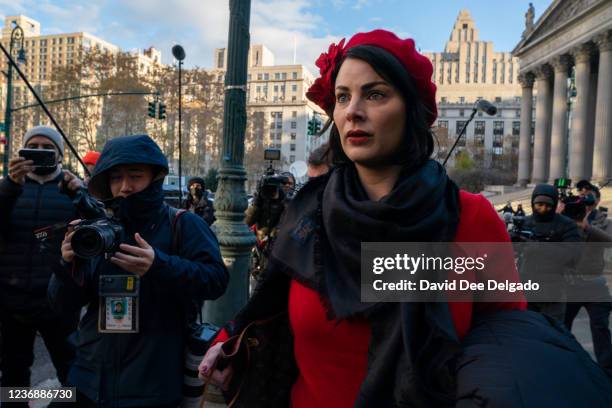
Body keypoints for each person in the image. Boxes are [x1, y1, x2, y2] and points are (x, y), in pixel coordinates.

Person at [196, 30, 612, 407]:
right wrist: (227, 339)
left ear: (411, 110)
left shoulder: (471, 218)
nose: (352, 112)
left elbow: (506, 335)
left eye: (374, 94)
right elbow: (270, 303)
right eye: (342, 97)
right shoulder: (308, 209)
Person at [48, 134, 229, 408]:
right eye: (116, 178)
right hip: (86, 380)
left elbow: (215, 280)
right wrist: (67, 265)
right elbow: (61, 306)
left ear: (154, 178)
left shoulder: (183, 224)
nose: (125, 187)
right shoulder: (94, 229)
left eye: (135, 176)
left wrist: (159, 265)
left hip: (153, 387)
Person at [0, 125, 82, 404]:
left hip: (58, 302)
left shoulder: (73, 189)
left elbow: (97, 228)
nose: (38, 152)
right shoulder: (9, 187)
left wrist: (80, 195)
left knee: (72, 374)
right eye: (31, 147)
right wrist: (10, 186)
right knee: (13, 375)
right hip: (12, 302)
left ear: (59, 156)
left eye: (47, 148)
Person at [565, 184, 612, 376]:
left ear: (598, 200)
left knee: (600, 328)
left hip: (595, 284)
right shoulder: (567, 219)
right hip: (571, 284)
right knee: (561, 326)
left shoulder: (604, 220)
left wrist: (588, 227)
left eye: (589, 197)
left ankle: (607, 371)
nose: (584, 200)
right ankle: (564, 362)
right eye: (581, 196)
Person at [519, 184, 582, 322]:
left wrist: (540, 248)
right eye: (539, 205)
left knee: (554, 333)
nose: (543, 209)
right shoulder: (524, 223)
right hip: (526, 289)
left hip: (553, 292)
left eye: (548, 205)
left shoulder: (566, 224)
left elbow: (574, 253)